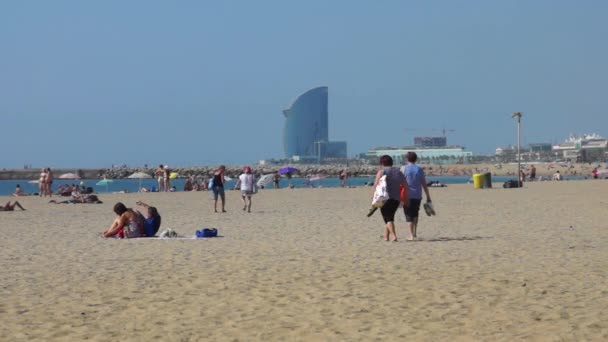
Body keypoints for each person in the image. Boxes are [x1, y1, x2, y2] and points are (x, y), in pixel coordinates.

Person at [372, 155, 407, 242]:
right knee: (389, 217)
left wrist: (373, 197)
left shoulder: (382, 172)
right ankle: (386, 237)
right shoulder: (398, 172)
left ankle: (394, 236)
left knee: (388, 218)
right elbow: (405, 185)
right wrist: (405, 197)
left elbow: (376, 185)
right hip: (396, 198)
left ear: (382, 163)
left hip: (383, 198)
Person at [400, 152, 431, 241]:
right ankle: (414, 233)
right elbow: (424, 184)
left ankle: (411, 235)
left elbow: (399, 182)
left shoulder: (403, 168)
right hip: (417, 195)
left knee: (408, 214)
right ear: (415, 159)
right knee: (415, 213)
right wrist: (428, 195)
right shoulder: (419, 169)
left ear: (407, 159)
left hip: (407, 195)